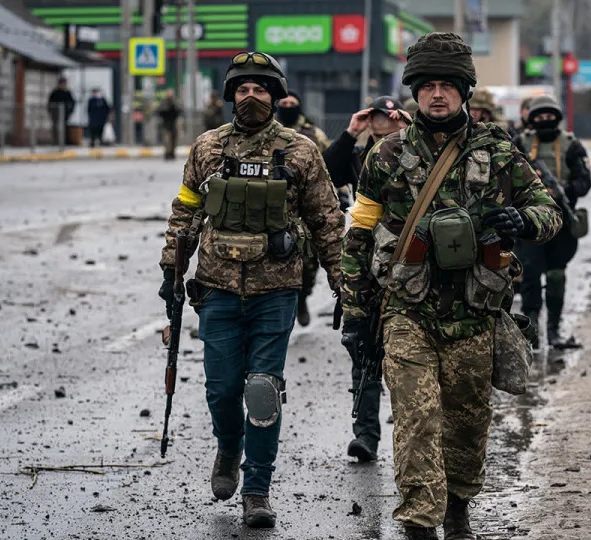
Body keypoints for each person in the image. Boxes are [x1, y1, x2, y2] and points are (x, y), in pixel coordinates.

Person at [340, 32, 561, 540]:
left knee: (467, 423)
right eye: (428, 85)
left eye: (448, 85)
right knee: (416, 420)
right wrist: (354, 308)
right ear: (414, 91)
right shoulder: (386, 156)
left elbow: (549, 214)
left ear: (464, 90)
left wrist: (520, 221)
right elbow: (360, 232)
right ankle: (419, 522)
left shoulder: (498, 149)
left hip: (474, 312)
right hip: (406, 310)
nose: (437, 94)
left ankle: (458, 506)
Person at [157, 51, 345, 529]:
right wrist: (170, 274)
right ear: (229, 96)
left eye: (261, 89)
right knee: (221, 391)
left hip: (276, 291)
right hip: (216, 288)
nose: (251, 97)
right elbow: (185, 211)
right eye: (242, 89)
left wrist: (345, 283)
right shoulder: (207, 148)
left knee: (263, 390)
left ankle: (257, 488)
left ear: (277, 96)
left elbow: (326, 221)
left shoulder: (301, 151)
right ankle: (227, 446)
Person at [321, 95, 410, 464]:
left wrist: (410, 128)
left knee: (408, 356)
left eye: (389, 116)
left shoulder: (416, 151)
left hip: (408, 264)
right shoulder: (359, 157)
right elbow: (324, 174)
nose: (382, 121)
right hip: (364, 262)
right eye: (376, 115)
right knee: (363, 350)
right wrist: (350, 133)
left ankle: (412, 438)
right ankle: (366, 436)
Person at [515, 95, 591, 348]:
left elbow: (585, 182)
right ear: (532, 119)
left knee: (557, 275)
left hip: (561, 222)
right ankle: (532, 331)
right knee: (530, 277)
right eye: (540, 116)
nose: (545, 120)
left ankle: (554, 330)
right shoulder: (521, 144)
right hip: (530, 222)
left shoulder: (571, 145)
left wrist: (563, 191)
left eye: (550, 116)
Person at [274, 90, 331, 327]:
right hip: (276, 210)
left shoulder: (313, 135)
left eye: (292, 103)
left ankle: (303, 296)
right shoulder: (268, 132)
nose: (287, 106)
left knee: (309, 263)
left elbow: (329, 168)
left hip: (306, 210)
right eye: (283, 103)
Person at [156, 89, 182, 160]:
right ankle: (167, 153)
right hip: (166, 124)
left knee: (174, 140)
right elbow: (159, 110)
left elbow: (180, 110)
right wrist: (166, 109)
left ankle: (172, 154)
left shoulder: (175, 102)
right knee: (167, 140)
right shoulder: (164, 102)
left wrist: (174, 107)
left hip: (173, 124)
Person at [47, 77, 75, 145]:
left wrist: (70, 111)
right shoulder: (55, 92)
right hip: (56, 113)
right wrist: (51, 111)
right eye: (62, 83)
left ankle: (65, 141)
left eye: (64, 83)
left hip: (65, 113)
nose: (63, 85)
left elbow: (72, 103)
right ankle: (56, 141)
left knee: (65, 127)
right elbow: (50, 103)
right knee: (55, 127)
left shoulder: (68, 92)